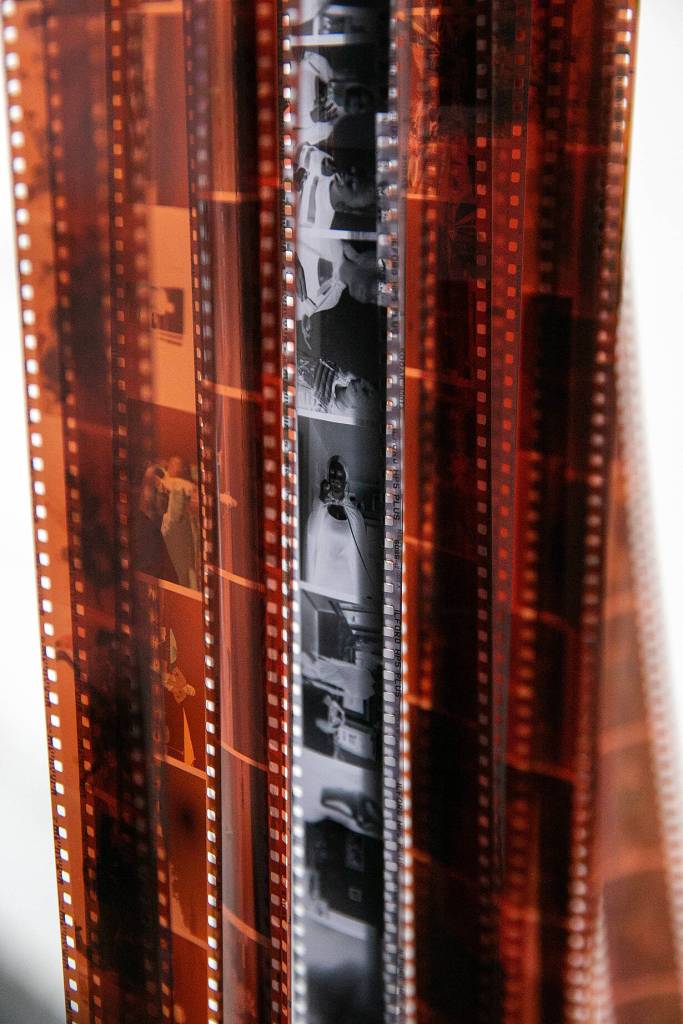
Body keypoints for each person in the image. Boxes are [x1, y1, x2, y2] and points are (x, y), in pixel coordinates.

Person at [304, 455, 375, 602]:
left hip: (347, 588)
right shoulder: (320, 510)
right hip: (322, 585)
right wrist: (321, 500)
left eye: (339, 476)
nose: (335, 479)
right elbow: (311, 536)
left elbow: (361, 555)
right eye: (332, 475)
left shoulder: (355, 516)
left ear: (345, 481)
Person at [296, 239, 378, 340]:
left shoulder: (332, 300)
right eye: (372, 283)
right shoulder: (333, 243)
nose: (367, 296)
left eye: (373, 299)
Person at [296, 51, 374, 145]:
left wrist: (311, 118)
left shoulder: (325, 129)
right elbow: (296, 54)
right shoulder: (322, 65)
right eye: (357, 95)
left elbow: (294, 136)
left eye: (361, 106)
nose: (356, 103)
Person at [295, 142, 375, 230]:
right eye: (353, 173)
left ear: (345, 206)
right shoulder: (327, 163)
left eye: (351, 184)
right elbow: (297, 149)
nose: (347, 176)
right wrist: (318, 163)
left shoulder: (318, 222)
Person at [160, 457, 199, 589]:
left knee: (186, 571)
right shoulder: (169, 481)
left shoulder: (182, 485)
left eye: (176, 465)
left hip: (180, 531)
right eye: (171, 464)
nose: (172, 467)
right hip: (174, 531)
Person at [297, 357, 377, 418]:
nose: (361, 382)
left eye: (366, 391)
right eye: (366, 379)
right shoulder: (336, 371)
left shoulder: (329, 416)